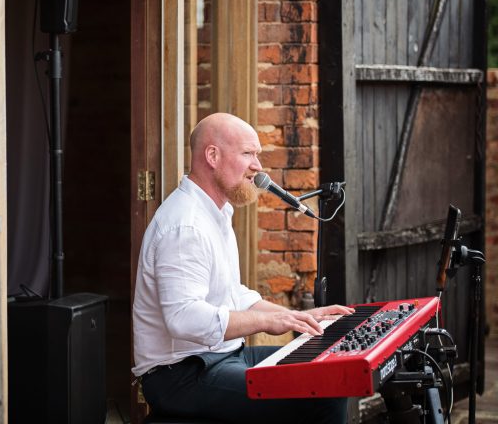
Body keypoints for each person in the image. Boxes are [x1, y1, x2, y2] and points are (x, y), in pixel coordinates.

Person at [132, 112, 354, 423]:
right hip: (180, 375)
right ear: (213, 156)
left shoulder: (217, 212)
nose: (258, 167)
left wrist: (289, 316)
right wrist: (265, 322)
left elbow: (230, 293)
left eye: (258, 156)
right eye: (248, 153)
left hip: (222, 357)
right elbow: (182, 318)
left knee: (325, 372)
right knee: (320, 393)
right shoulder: (186, 226)